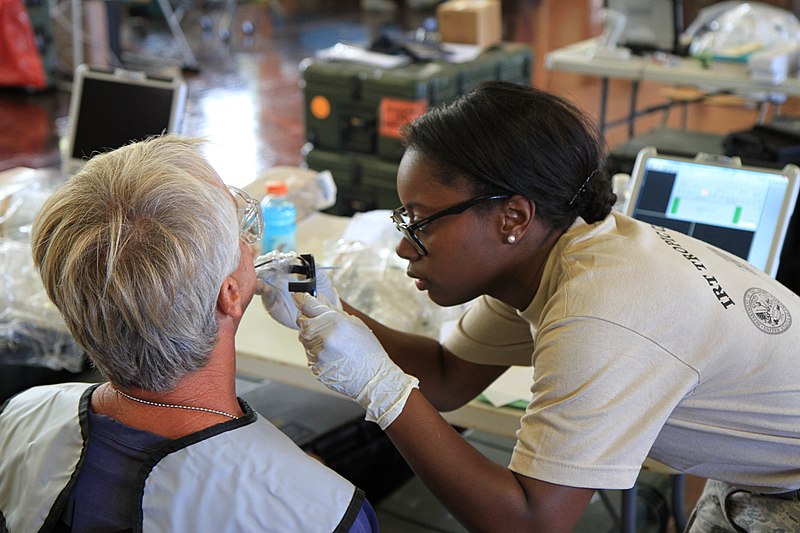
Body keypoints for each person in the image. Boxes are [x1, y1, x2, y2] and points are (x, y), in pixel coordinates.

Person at [261, 81, 800, 532]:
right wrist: (328, 309)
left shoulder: (601, 309)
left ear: (513, 218)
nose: (404, 246)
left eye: (420, 222)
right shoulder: (559, 252)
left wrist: (380, 389)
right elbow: (449, 379)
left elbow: (531, 522)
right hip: (764, 471)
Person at [0, 135, 378, 532]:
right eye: (237, 229)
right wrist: (297, 481)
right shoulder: (324, 515)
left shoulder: (22, 418)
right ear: (229, 294)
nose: (251, 242)